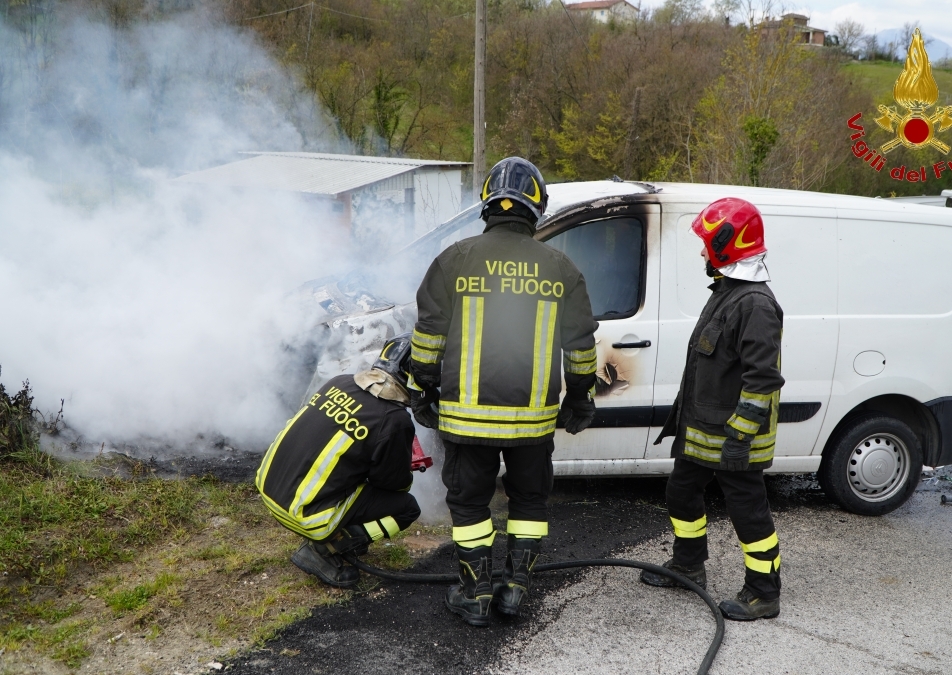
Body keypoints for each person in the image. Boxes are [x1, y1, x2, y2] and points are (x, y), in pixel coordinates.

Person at [410, 157, 599, 627]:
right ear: (537, 207)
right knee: (530, 501)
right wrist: (579, 399)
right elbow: (580, 350)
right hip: (532, 424)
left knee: (471, 504)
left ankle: (474, 594)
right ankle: (515, 589)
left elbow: (428, 338)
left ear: (487, 202)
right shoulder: (561, 267)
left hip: (465, 421)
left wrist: (422, 392)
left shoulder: (454, 259)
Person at [640, 197, 785, 621]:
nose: (702, 252)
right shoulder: (728, 294)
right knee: (681, 491)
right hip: (704, 434)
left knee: (748, 512)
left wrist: (741, 436)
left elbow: (762, 380)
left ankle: (764, 593)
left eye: (707, 244)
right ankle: (688, 565)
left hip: (733, 440)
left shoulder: (755, 305)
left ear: (727, 244)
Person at [255, 334, 421, 589]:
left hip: (269, 487)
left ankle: (340, 534)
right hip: (305, 515)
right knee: (407, 507)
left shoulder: (339, 382)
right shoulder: (395, 420)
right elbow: (390, 484)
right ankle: (325, 549)